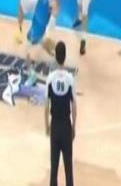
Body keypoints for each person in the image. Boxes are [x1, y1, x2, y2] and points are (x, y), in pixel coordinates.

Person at [25, 0, 69, 86]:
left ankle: (32, 75)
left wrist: (47, 34)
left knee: (27, 49)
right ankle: (56, 57)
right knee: (32, 39)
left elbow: (52, 24)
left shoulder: (55, 3)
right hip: (35, 20)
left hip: (40, 28)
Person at [45, 41, 77, 186]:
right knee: (68, 168)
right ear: (65, 57)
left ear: (55, 57)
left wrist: (47, 125)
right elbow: (74, 106)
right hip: (66, 124)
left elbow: (46, 105)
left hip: (55, 125)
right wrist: (73, 127)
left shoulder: (50, 78)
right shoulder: (70, 79)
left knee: (54, 168)